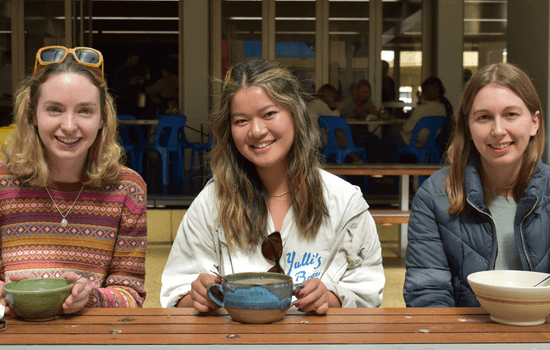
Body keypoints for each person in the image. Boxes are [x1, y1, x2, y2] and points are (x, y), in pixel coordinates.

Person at [160, 59, 384, 313]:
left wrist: (329, 298)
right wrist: (198, 296)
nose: (256, 130)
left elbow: (368, 293)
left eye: (269, 114)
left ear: (294, 114)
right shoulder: (212, 202)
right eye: (241, 121)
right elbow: (176, 293)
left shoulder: (344, 202)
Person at [0, 46, 147, 316]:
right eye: (54, 109)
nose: (69, 126)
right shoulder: (2, 183)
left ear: (103, 117)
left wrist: (91, 298)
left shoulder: (127, 189)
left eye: (85, 111)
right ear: (32, 114)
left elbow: (131, 295)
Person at [403, 62, 547, 307]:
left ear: (534, 123)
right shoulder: (434, 196)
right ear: (468, 127)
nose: (498, 130)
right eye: (484, 117)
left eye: (511, 114)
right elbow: (428, 296)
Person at [112, 52, 142, 116]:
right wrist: (128, 83)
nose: (136, 62)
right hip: (122, 103)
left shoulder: (136, 70)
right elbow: (115, 86)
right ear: (129, 58)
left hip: (133, 103)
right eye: (134, 60)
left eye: (137, 61)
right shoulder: (120, 70)